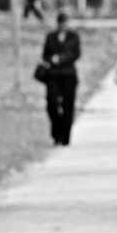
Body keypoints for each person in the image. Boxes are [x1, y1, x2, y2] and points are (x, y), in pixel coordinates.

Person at [40, 12, 80, 146]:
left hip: (68, 75)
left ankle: (65, 136)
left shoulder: (73, 37)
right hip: (53, 75)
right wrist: (51, 59)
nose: (63, 25)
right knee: (52, 104)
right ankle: (56, 133)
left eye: (65, 22)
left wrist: (62, 59)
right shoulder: (50, 37)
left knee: (67, 107)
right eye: (61, 22)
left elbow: (76, 54)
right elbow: (45, 55)